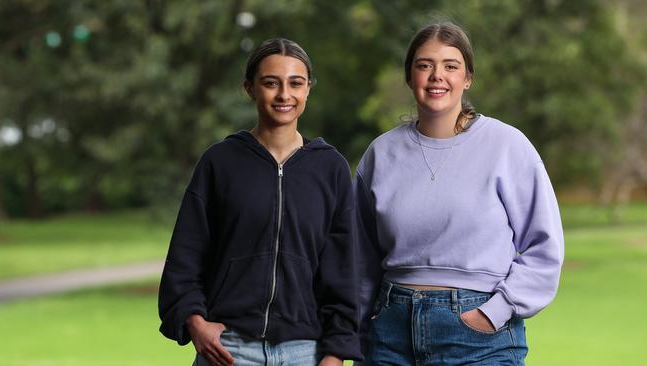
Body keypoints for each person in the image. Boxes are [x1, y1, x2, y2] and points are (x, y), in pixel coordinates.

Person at [354, 22, 564, 365]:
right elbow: (360, 262)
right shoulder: (381, 154)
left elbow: (545, 248)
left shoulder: (507, 147)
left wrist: (496, 311)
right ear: (410, 77)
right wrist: (358, 338)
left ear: (467, 78)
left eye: (451, 66)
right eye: (425, 65)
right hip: (390, 335)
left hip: (479, 336)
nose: (437, 75)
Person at [158, 38, 361, 366]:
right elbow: (185, 257)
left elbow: (342, 270)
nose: (284, 94)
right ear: (249, 88)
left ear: (308, 89)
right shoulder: (219, 162)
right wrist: (195, 323)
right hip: (229, 349)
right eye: (271, 83)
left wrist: (336, 354)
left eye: (295, 83)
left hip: (305, 353)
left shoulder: (330, 168)